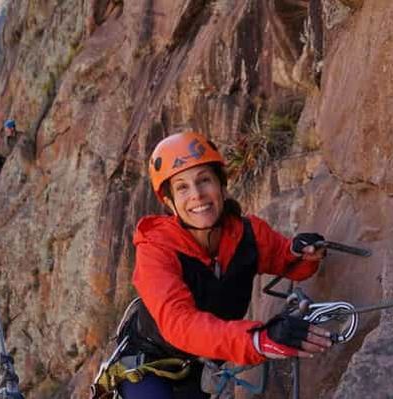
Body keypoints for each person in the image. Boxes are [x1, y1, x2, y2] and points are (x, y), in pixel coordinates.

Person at [117, 131, 331, 398]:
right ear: (170, 203)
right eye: (182, 187)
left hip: (201, 369)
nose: (196, 195)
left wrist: (304, 253)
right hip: (150, 367)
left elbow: (287, 261)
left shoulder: (248, 235)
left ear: (221, 185)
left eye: (204, 180)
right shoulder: (156, 250)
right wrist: (257, 339)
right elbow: (179, 323)